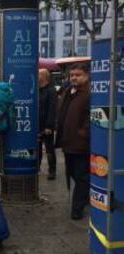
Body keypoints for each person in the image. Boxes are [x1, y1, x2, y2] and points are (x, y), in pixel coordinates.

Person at [55, 63, 90, 220]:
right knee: (73, 174)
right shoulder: (68, 91)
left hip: (81, 144)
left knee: (81, 176)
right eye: (72, 75)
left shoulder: (90, 93)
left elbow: (93, 117)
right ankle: (85, 198)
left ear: (86, 76)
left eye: (78, 75)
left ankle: (77, 208)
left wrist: (83, 132)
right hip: (68, 142)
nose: (74, 77)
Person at [38, 69, 57, 180]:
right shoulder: (37, 89)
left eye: (38, 74)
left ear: (44, 77)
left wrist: (49, 126)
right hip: (38, 124)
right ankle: (37, 167)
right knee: (38, 147)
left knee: (49, 148)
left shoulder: (51, 90)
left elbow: (52, 109)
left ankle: (52, 170)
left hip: (46, 125)